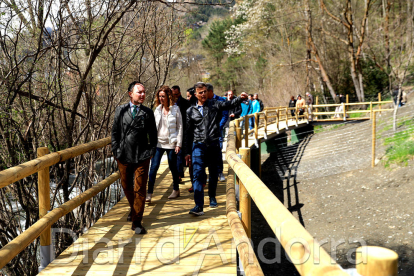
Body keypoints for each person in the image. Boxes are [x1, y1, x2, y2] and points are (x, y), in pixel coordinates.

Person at [184, 82, 248, 216]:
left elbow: (228, 105)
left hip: (213, 144)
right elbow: (188, 133)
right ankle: (198, 206)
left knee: (213, 173)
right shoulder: (190, 111)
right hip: (198, 145)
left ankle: (212, 196)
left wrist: (240, 99)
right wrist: (187, 152)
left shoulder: (214, 104)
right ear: (195, 94)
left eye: (205, 92)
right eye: (200, 92)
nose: (203, 94)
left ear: (207, 92)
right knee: (197, 175)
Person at [111, 81, 157, 234]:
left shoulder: (148, 112)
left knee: (140, 189)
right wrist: (116, 151)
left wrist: (150, 152)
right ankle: (134, 208)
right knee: (126, 187)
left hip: (141, 156)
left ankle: (137, 221)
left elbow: (153, 136)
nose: (143, 94)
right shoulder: (121, 110)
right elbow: (115, 133)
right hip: (123, 155)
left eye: (144, 92)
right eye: (139, 92)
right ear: (130, 94)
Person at [146, 86, 183, 203]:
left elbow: (180, 127)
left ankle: (176, 189)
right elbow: (152, 128)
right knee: (153, 168)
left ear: (168, 97)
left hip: (171, 143)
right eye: (160, 96)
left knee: (173, 167)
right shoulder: (157, 110)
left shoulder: (175, 109)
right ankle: (149, 193)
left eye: (163, 96)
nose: (161, 98)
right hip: (158, 143)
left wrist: (179, 144)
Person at [206, 83, 228, 182]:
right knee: (206, 153)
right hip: (206, 133)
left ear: (210, 91)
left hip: (217, 132)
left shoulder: (220, 100)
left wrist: (218, 127)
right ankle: (208, 174)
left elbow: (225, 115)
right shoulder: (203, 101)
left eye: (205, 92)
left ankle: (220, 172)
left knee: (218, 152)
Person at [171, 85, 190, 183]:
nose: (175, 96)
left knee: (180, 153)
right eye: (173, 94)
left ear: (180, 93)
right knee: (176, 153)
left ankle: (179, 173)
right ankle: (178, 173)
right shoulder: (169, 104)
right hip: (172, 131)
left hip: (183, 130)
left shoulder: (186, 103)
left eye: (176, 94)